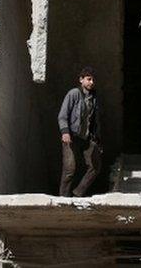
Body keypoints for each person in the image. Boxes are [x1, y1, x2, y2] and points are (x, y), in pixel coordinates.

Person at [58, 67, 102, 197]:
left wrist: (98, 141)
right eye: (89, 79)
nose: (91, 82)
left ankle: (77, 193)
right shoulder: (74, 94)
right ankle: (63, 198)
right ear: (81, 79)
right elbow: (62, 115)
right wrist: (65, 132)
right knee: (69, 169)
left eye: (93, 80)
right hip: (71, 136)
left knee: (95, 166)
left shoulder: (94, 98)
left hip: (87, 138)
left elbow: (95, 121)